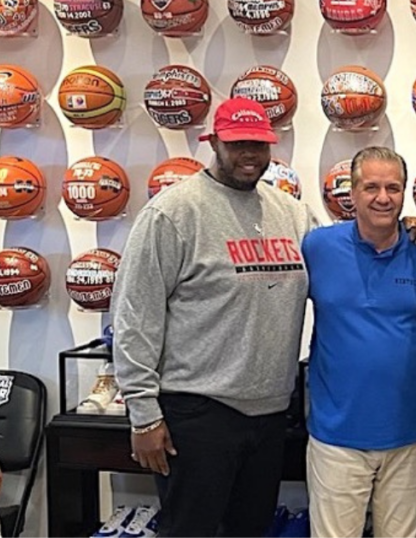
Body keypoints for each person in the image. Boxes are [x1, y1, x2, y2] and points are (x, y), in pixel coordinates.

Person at [112, 97, 315, 537]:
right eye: (238, 144)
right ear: (214, 142)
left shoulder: (292, 213)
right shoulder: (173, 212)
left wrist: (406, 232)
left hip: (269, 411)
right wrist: (143, 415)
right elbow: (134, 315)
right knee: (191, 531)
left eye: (259, 146)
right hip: (198, 412)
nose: (249, 155)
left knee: (251, 530)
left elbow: (342, 265)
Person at [302, 146, 416, 538]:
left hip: (410, 436)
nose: (383, 197)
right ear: (352, 193)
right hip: (336, 438)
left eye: (393, 187)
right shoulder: (317, 247)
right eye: (371, 186)